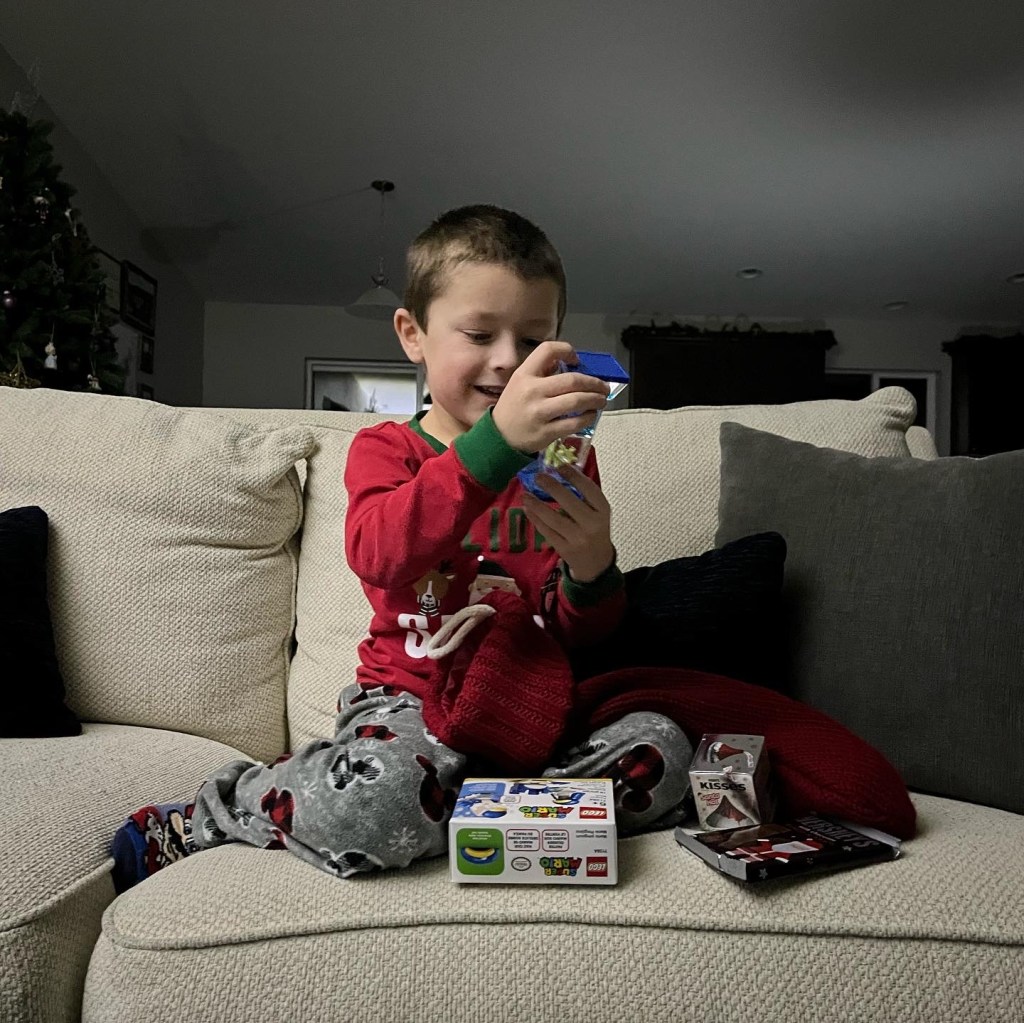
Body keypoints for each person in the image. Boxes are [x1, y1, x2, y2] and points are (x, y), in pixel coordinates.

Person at [111, 205, 693, 889]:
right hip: (409, 703)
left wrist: (594, 570)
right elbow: (379, 553)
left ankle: (453, 809)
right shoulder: (387, 450)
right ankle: (228, 806)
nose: (508, 359)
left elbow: (580, 633)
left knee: (662, 748)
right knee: (379, 799)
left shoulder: (566, 461)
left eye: (533, 338)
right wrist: (495, 445)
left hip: (531, 703)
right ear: (413, 335)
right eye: (480, 334)